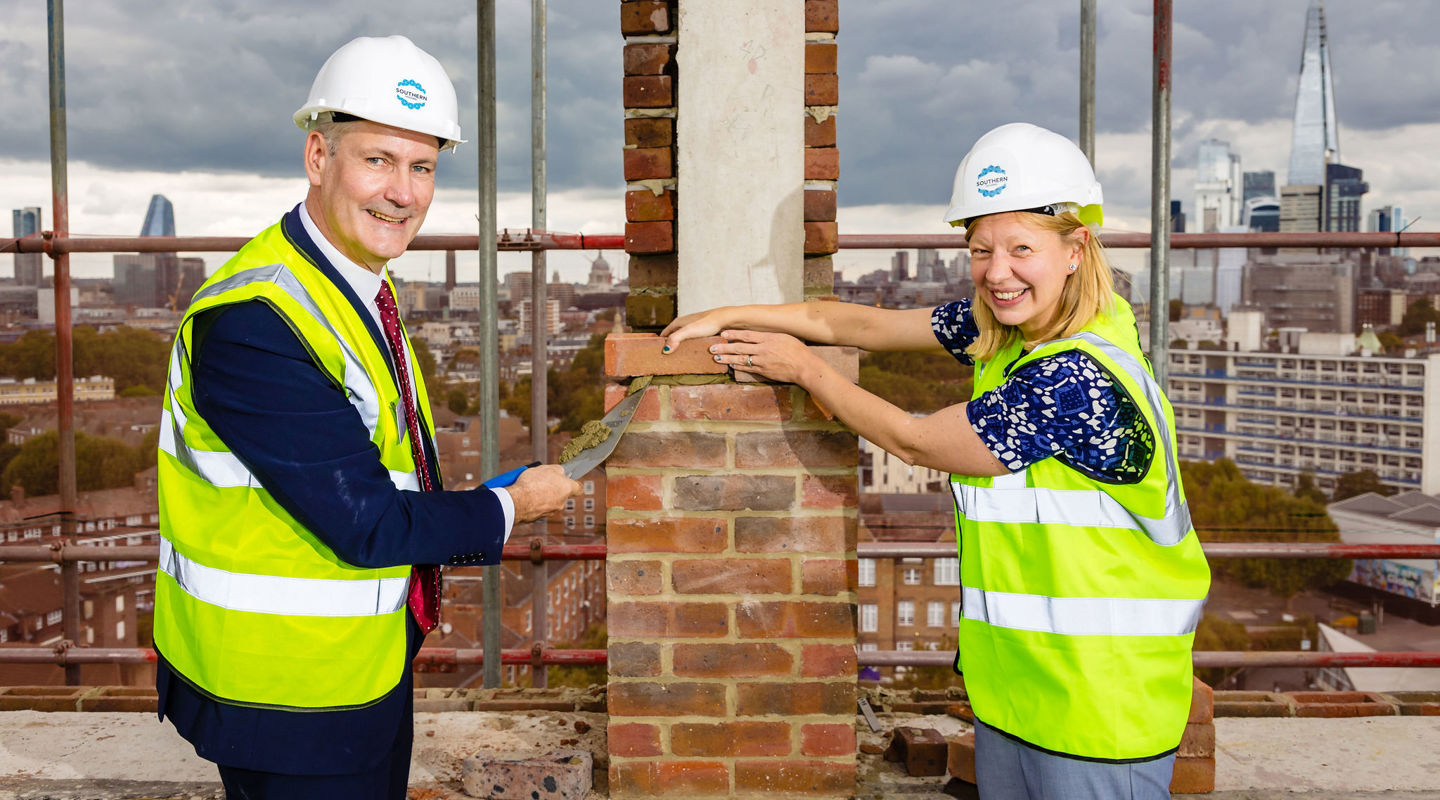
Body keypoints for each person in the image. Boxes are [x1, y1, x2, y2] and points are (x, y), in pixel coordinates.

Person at [662, 122, 1210, 800]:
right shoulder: (1006, 327)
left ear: (1076, 250)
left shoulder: (1079, 378)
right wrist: (724, 314)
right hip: (1020, 695)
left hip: (1101, 708)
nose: (997, 272)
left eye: (1022, 248)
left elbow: (916, 440)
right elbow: (862, 325)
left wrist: (804, 369)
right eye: (981, 250)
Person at [153, 35, 580, 798]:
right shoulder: (256, 321)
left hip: (360, 667)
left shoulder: (350, 288)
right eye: (378, 160)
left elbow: (374, 463)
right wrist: (513, 506)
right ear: (318, 157)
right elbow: (366, 521)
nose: (403, 192)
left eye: (422, 167)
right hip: (284, 694)